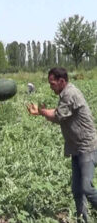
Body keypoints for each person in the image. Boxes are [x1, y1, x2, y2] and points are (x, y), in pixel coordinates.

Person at [27, 67, 97, 222]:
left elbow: (58, 116)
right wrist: (41, 112)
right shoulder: (65, 93)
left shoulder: (70, 94)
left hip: (87, 147)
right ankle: (82, 219)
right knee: (77, 190)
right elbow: (60, 111)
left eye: (52, 83)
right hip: (76, 148)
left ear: (61, 81)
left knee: (86, 188)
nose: (50, 86)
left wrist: (42, 111)